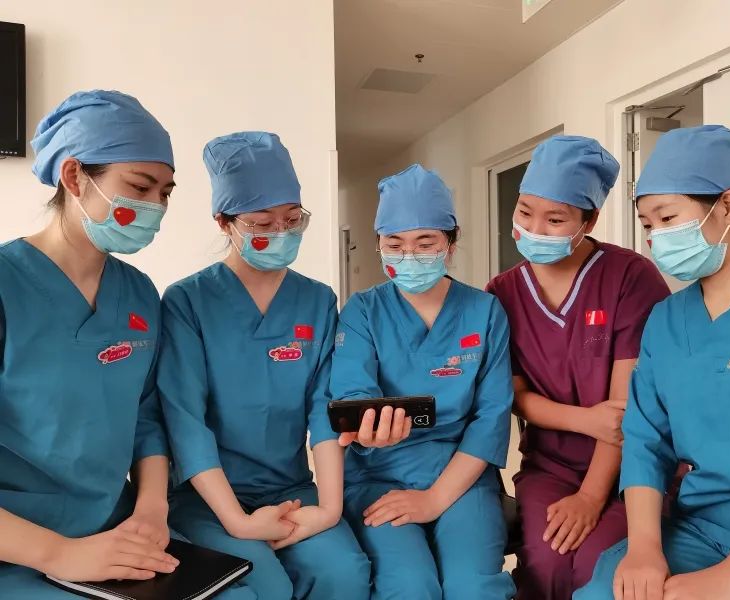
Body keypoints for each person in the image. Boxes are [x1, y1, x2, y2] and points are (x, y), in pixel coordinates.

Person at [0, 90, 247, 598]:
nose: (155, 206)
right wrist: (59, 553)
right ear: (74, 177)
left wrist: (152, 508)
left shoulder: (137, 293)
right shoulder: (8, 285)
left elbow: (146, 416)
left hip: (118, 527)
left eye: (165, 192)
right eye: (139, 187)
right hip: (21, 543)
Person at [576, 125, 730, 600]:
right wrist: (643, 549)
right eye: (647, 225)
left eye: (667, 217)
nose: (655, 238)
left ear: (729, 206)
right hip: (697, 529)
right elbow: (645, 440)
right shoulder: (666, 319)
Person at [158, 131, 371, 600]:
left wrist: (329, 509)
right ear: (224, 222)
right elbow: (185, 420)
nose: (281, 233)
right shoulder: (188, 301)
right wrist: (237, 521)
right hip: (208, 498)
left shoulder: (316, 300)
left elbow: (325, 410)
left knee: (345, 573)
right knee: (263, 585)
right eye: (261, 223)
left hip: (290, 487)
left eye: (292, 220)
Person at [486, 136, 670, 600]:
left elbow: (623, 410)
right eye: (524, 212)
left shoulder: (630, 277)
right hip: (549, 464)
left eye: (555, 219)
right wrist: (583, 420)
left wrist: (591, 496)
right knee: (545, 560)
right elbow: (514, 394)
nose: (534, 229)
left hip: (633, 462)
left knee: (596, 564)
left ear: (589, 221)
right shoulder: (502, 293)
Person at [330, 164, 517, 599]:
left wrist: (434, 499)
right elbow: (353, 392)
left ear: (451, 243)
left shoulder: (484, 312)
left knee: (473, 587)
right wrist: (368, 428)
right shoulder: (362, 311)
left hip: (462, 474)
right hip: (379, 475)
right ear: (378, 244)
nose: (409, 256)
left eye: (425, 243)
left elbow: (491, 417)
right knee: (410, 585)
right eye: (394, 244)